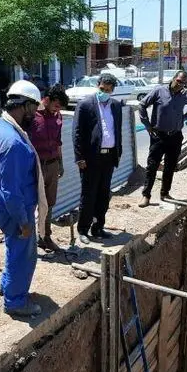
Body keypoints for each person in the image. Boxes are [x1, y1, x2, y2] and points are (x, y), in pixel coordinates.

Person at [0, 80, 47, 318]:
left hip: (1, 205)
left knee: (13, 247)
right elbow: (12, 190)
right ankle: (15, 301)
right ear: (24, 105)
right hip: (15, 209)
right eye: (35, 109)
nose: (36, 115)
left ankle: (7, 285)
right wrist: (24, 222)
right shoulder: (14, 143)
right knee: (24, 254)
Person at [73, 73, 123, 245]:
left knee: (103, 194)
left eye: (108, 90)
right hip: (91, 158)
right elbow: (77, 133)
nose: (104, 92)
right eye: (102, 89)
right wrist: (79, 157)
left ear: (113, 90)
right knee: (88, 195)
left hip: (108, 157)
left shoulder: (116, 106)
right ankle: (83, 230)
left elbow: (118, 130)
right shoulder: (85, 105)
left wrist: (118, 153)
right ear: (98, 85)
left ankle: (98, 227)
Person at [138, 70, 187, 206]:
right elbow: (142, 105)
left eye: (183, 83)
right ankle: (146, 195)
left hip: (175, 136)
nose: (180, 85)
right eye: (179, 81)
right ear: (173, 79)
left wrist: (184, 117)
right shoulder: (159, 91)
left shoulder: (184, 95)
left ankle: (165, 193)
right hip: (159, 136)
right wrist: (147, 125)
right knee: (152, 166)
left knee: (170, 167)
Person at [29, 84, 68, 252]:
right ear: (47, 100)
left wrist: (60, 163)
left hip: (52, 165)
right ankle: (28, 238)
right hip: (34, 167)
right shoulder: (31, 116)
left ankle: (45, 237)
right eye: (56, 105)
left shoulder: (58, 116)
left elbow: (58, 142)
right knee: (31, 202)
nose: (57, 110)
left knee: (49, 203)